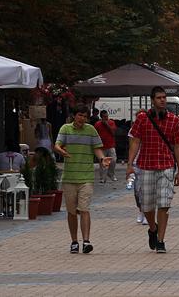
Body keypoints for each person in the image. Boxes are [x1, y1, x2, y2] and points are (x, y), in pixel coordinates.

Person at [126, 87, 179, 254]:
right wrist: (130, 164)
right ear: (152, 100)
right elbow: (135, 141)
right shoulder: (143, 119)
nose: (162, 100)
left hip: (166, 166)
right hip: (146, 165)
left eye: (164, 97)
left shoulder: (174, 120)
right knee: (147, 205)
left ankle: (160, 240)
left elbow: (178, 146)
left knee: (164, 204)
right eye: (159, 97)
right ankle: (153, 228)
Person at [54, 103, 111, 254]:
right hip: (70, 177)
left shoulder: (91, 130)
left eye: (85, 116)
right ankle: (74, 241)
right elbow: (57, 145)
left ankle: (86, 241)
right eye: (80, 115)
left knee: (84, 209)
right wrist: (61, 151)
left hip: (86, 176)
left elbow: (97, 148)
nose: (82, 119)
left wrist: (102, 159)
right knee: (72, 212)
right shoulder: (65, 129)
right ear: (74, 115)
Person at [94, 110, 117, 183]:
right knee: (103, 162)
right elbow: (95, 134)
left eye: (107, 116)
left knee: (113, 160)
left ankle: (111, 174)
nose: (106, 118)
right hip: (101, 146)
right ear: (101, 117)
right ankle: (102, 177)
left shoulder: (111, 122)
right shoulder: (97, 124)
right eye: (104, 117)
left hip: (110, 145)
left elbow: (113, 133)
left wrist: (107, 125)